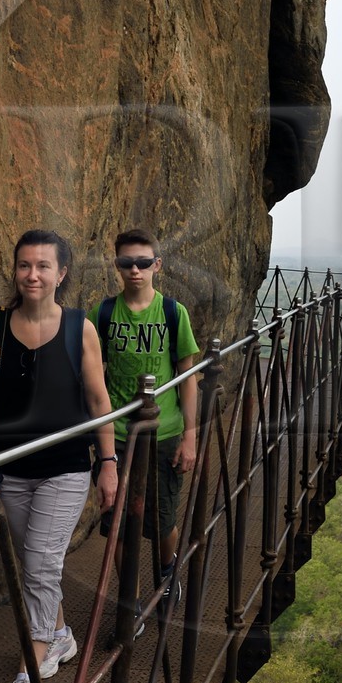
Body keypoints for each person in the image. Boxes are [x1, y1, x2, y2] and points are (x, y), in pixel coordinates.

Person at [0, 229, 117, 683]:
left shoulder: (80, 328)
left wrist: (109, 462)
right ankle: (59, 634)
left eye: (42, 266)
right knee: (34, 562)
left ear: (62, 274)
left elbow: (99, 401)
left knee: (38, 566)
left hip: (66, 467)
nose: (32, 275)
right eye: (24, 265)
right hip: (11, 468)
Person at [89, 229, 200, 596]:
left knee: (163, 516)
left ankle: (167, 573)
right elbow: (91, 378)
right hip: (118, 435)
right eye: (126, 263)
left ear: (157, 265)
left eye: (143, 262)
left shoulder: (172, 312)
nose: (135, 270)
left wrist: (190, 436)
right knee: (117, 524)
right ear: (117, 265)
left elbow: (187, 377)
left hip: (163, 433)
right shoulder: (103, 313)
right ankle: (130, 602)